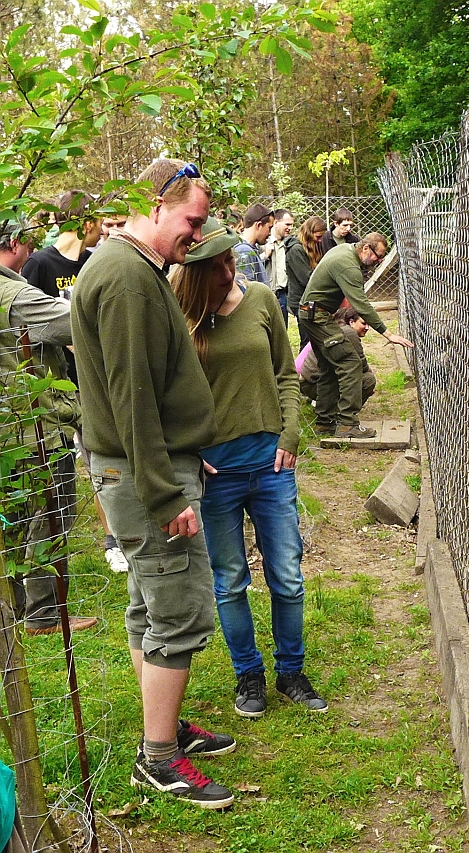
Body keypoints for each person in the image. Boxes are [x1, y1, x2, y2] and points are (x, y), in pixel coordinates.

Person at [71, 158, 237, 809]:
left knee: (149, 605)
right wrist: (166, 492)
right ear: (156, 203)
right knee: (178, 610)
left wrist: (186, 453)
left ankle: (161, 727)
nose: (198, 235)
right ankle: (159, 758)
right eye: (193, 220)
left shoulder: (135, 268)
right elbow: (131, 396)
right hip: (146, 476)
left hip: (154, 463)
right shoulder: (127, 278)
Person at [169, 217, 328, 719]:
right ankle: (249, 675)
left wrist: (290, 433)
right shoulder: (180, 317)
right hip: (216, 474)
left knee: (287, 575)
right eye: (215, 267)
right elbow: (166, 395)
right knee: (231, 579)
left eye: (229, 261)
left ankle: (291, 672)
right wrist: (190, 450)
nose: (228, 273)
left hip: (271, 464)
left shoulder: (259, 299)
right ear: (194, 273)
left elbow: (286, 372)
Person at [0, 220, 99, 635]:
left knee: (13, 522)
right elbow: (74, 321)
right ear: (15, 242)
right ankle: (43, 613)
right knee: (51, 518)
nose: (33, 247)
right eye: (29, 239)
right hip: (35, 429)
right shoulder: (15, 295)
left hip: (11, 431)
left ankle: (13, 607)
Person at [297, 233, 412, 438]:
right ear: (366, 248)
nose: (379, 261)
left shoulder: (345, 250)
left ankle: (325, 421)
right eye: (378, 255)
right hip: (317, 316)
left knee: (328, 366)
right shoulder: (349, 267)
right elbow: (361, 305)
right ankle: (347, 423)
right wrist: (387, 333)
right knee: (350, 363)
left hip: (312, 313)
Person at [22, 190, 102, 300]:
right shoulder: (38, 263)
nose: (102, 231)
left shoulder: (92, 261)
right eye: (100, 223)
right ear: (89, 225)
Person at [297, 306, 376, 408]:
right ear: (351, 322)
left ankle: (329, 407)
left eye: (369, 324)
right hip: (314, 383)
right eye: (363, 323)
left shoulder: (337, 329)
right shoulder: (349, 333)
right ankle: (343, 413)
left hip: (307, 382)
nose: (367, 328)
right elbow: (362, 365)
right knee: (368, 380)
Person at [286, 216, 325, 350]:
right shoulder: (295, 250)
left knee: (314, 340)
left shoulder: (312, 247)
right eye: (318, 236)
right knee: (307, 341)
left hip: (310, 300)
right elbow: (306, 279)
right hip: (301, 302)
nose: (320, 240)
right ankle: (303, 363)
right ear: (309, 232)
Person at [260, 208, 293, 321]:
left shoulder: (289, 244)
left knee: (282, 327)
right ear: (275, 222)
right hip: (267, 292)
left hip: (283, 294)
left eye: (292, 225)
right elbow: (252, 265)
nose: (290, 228)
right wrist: (265, 255)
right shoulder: (263, 241)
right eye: (287, 224)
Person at [232, 203, 273, 286]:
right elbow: (246, 289)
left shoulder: (250, 248)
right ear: (259, 225)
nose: (270, 233)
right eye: (269, 228)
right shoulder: (244, 251)